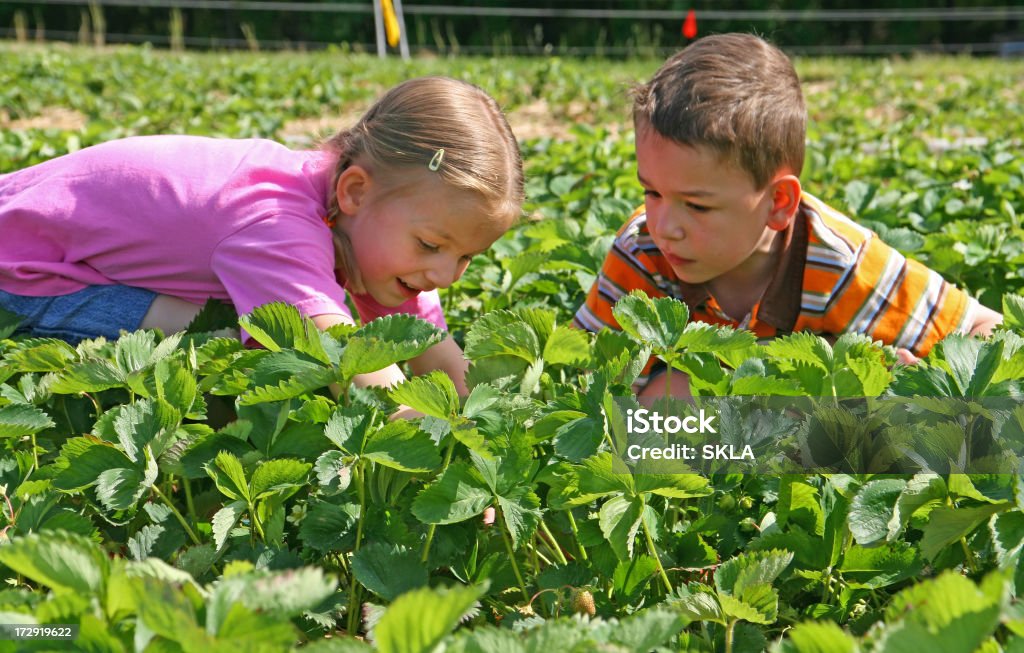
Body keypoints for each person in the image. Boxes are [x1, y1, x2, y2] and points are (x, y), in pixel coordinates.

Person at [0, 76, 524, 395]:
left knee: (268, 326)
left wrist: (479, 419)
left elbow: (437, 356)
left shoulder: (375, 219)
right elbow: (343, 359)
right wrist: (426, 434)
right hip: (23, 273)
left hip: (42, 236)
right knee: (246, 340)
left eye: (466, 257)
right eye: (432, 246)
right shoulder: (280, 228)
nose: (443, 276)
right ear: (355, 192)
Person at [573, 33, 1002, 398]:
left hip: (807, 445)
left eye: (698, 205)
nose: (665, 226)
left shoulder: (839, 262)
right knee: (677, 393)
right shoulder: (641, 249)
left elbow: (986, 328)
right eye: (652, 191)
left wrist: (924, 382)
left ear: (778, 203)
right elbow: (589, 383)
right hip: (723, 453)